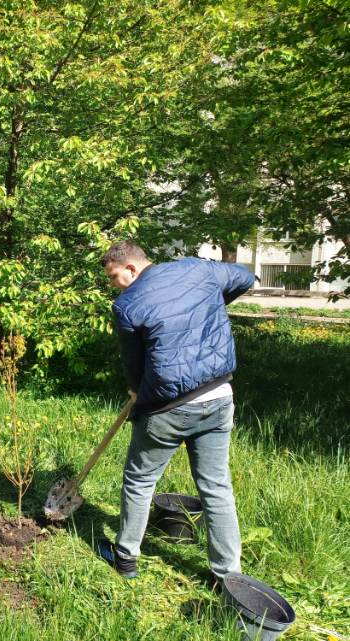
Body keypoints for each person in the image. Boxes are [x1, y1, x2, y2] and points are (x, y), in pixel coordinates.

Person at [97, 241, 255, 583]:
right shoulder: (198, 270)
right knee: (216, 487)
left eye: (114, 276)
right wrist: (205, 306)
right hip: (218, 397)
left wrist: (137, 395)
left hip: (166, 409)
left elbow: (133, 365)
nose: (113, 284)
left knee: (139, 481)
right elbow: (245, 277)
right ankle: (227, 574)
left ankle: (125, 559)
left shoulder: (127, 305)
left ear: (132, 268)